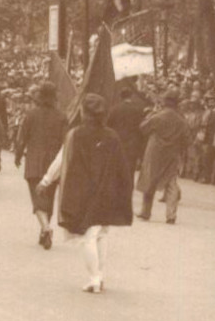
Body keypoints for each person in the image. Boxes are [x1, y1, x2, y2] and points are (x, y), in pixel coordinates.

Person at [40, 93, 134, 293]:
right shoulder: (112, 135)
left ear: (84, 112)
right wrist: (123, 191)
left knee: (88, 235)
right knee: (101, 233)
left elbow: (62, 159)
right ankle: (100, 276)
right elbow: (122, 166)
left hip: (83, 190)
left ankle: (94, 278)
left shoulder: (75, 134)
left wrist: (47, 180)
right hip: (107, 190)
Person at [13, 82, 66, 248]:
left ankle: (45, 228)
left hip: (34, 161)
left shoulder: (31, 115)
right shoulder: (62, 116)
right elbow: (67, 141)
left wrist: (18, 155)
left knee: (37, 197)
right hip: (54, 163)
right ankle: (44, 231)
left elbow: (22, 138)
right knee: (48, 198)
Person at [138, 92, 190, 223]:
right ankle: (171, 215)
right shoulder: (181, 119)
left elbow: (143, 128)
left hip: (154, 152)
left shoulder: (158, 116)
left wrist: (151, 114)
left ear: (164, 102)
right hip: (172, 153)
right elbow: (187, 139)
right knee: (171, 182)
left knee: (149, 180)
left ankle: (145, 212)